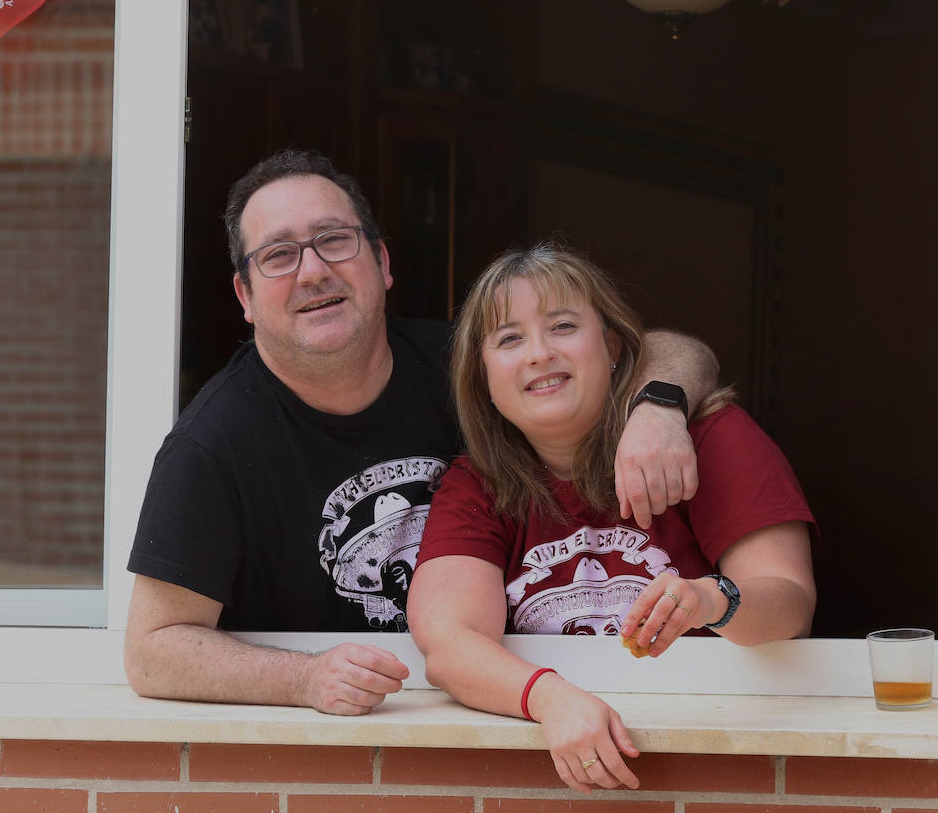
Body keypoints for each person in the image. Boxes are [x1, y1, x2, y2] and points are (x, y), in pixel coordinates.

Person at [124, 150, 718, 715]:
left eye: (335, 239)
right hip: (360, 726)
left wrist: (658, 407)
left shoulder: (462, 365)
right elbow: (152, 650)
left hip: (527, 693)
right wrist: (303, 678)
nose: (312, 271)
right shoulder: (211, 445)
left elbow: (666, 349)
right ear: (244, 295)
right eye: (278, 255)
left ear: (382, 263)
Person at [407, 244, 816, 793]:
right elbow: (449, 643)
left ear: (614, 346)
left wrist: (711, 599)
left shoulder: (710, 436)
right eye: (509, 338)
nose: (538, 353)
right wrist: (551, 699)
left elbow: (791, 604)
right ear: (481, 378)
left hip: (720, 762)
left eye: (563, 326)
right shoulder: (478, 483)